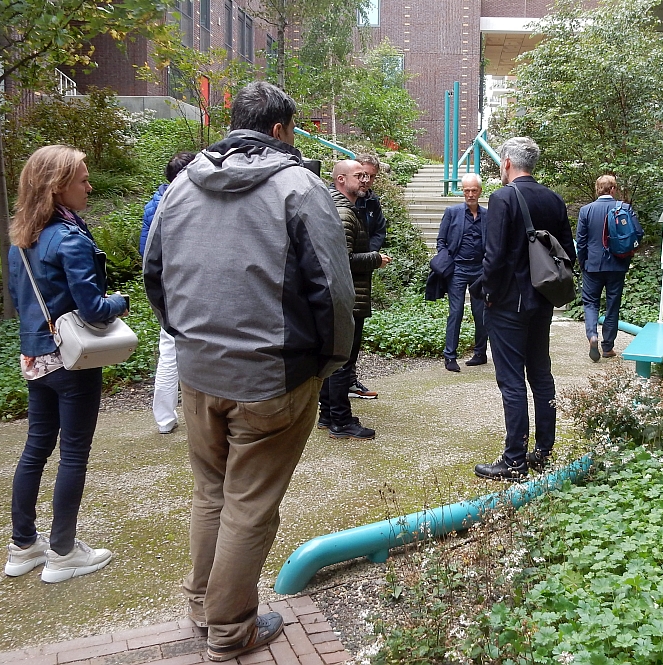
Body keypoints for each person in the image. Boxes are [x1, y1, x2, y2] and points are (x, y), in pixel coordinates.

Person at [143, 81, 355, 662]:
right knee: (249, 504)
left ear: (234, 122)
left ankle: (201, 605)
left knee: (211, 492)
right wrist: (330, 363)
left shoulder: (181, 185)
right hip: (272, 378)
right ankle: (231, 628)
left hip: (198, 372)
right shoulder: (300, 187)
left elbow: (154, 275)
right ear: (282, 130)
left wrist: (186, 338)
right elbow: (332, 291)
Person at [5, 145, 129, 583]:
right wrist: (122, 301)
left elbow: (23, 303)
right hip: (72, 363)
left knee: (35, 449)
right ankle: (62, 553)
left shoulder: (24, 238)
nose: (89, 186)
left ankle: (23, 546)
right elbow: (93, 308)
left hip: (35, 356)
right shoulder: (70, 237)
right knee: (73, 454)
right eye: (82, 179)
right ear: (58, 187)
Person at [474, 137, 575, 481]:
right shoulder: (553, 199)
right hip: (542, 302)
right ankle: (543, 452)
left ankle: (514, 460)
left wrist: (487, 293)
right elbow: (568, 254)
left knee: (512, 380)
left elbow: (495, 254)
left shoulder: (502, 197)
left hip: (508, 305)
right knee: (541, 375)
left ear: (506, 163)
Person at [317, 159, 391, 439]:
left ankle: (327, 414)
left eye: (365, 175)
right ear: (340, 180)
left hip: (345, 296)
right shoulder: (344, 213)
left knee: (334, 359)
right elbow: (342, 260)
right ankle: (340, 420)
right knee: (342, 360)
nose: (364, 180)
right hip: (348, 297)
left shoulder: (338, 207)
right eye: (358, 176)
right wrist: (375, 258)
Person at [139, 151, 196, 433]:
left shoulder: (154, 204)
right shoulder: (183, 202)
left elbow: (146, 252)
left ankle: (164, 418)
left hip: (166, 286)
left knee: (169, 351)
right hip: (184, 285)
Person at [576, 174, 644, 361]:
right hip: (617, 264)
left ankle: (592, 335)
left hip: (593, 265)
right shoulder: (624, 208)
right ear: (613, 189)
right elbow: (638, 233)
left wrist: (583, 262)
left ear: (597, 189)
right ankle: (607, 348)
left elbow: (581, 242)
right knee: (612, 306)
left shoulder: (586, 210)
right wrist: (627, 253)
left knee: (590, 303)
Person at [437, 172, 488, 372]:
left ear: (480, 191)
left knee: (481, 313)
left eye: (473, 190)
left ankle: (480, 353)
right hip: (457, 269)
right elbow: (441, 240)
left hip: (480, 270)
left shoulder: (488, 215)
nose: (470, 194)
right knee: (456, 312)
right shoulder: (452, 212)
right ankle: (450, 356)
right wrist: (445, 258)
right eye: (466, 190)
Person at [346, 153, 386, 399]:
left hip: (363, 270)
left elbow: (380, 229)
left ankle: (349, 381)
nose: (366, 180)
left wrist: (369, 254)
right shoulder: (343, 202)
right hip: (347, 271)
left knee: (357, 330)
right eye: (362, 175)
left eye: (371, 176)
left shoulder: (372, 202)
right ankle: (335, 394)